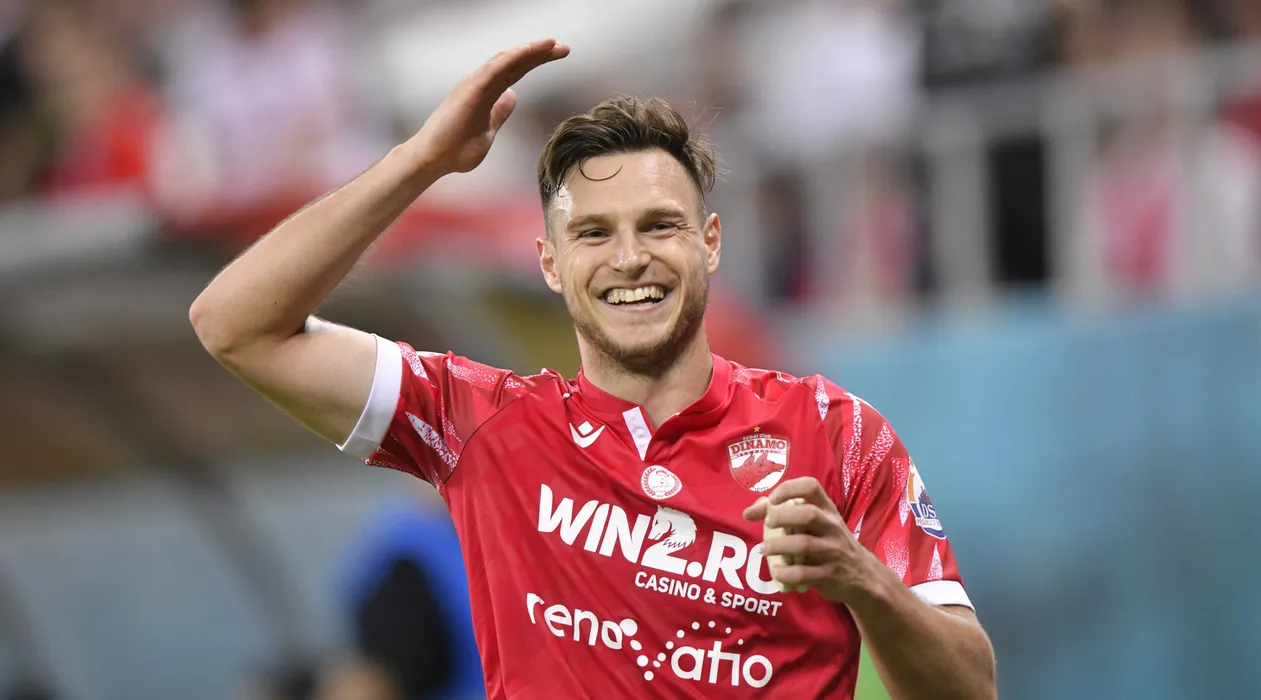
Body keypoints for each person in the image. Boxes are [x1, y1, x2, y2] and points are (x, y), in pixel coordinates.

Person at [190, 39, 997, 699]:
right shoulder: (478, 424)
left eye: (659, 225)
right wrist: (420, 161)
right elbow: (234, 326)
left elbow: (969, 690)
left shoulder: (836, 433)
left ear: (710, 243)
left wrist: (862, 580)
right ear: (550, 262)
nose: (629, 257)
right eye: (593, 233)